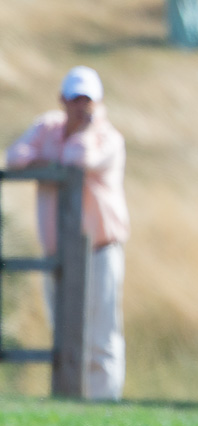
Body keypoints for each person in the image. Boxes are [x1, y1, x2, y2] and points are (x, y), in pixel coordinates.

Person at [6, 66, 130, 401]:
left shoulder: (108, 137)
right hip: (58, 254)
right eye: (75, 100)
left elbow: (80, 159)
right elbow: (14, 158)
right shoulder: (47, 127)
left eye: (87, 101)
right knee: (64, 331)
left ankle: (104, 401)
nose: (81, 107)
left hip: (99, 249)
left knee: (101, 335)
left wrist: (48, 163)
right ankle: (73, 397)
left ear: (98, 102)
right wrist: (51, 162)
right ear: (63, 100)